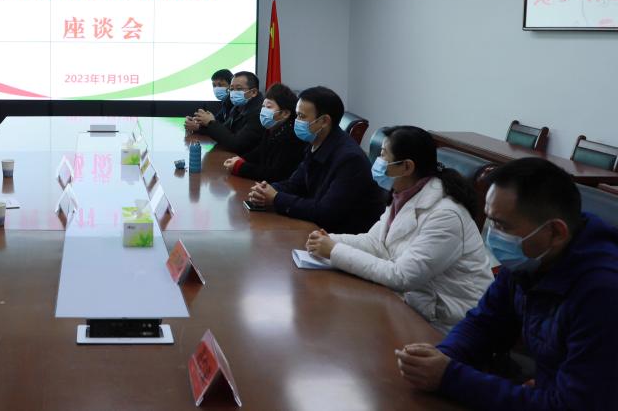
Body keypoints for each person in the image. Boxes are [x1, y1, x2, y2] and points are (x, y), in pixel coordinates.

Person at [396, 157, 618, 410]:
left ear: (556, 232)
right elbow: (484, 323)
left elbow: (573, 406)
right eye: (490, 220)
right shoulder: (531, 259)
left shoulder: (603, 293)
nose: (492, 234)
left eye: (502, 225)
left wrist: (450, 376)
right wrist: (441, 357)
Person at [305, 126, 493, 331]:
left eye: (383, 155)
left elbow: (402, 276)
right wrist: (329, 240)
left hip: (451, 324)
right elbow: (375, 242)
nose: (377, 161)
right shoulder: (404, 193)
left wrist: (334, 250)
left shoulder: (446, 215)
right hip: (415, 303)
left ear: (407, 167)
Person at [247, 86, 383, 233]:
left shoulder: (350, 159)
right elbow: (295, 184)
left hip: (342, 236)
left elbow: (325, 212)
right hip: (318, 230)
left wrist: (276, 198)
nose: (296, 121)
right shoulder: (316, 143)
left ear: (324, 121)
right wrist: (266, 190)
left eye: (301, 116)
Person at [222, 83, 305, 183]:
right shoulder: (272, 128)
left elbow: (275, 174)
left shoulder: (292, 137)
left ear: (285, 113)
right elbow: (260, 151)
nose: (263, 111)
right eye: (263, 106)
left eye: (268, 107)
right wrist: (241, 159)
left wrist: (240, 167)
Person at [192, 70, 265, 155]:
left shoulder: (259, 114)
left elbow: (236, 145)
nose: (233, 93)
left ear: (253, 92)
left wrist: (211, 123)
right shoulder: (237, 108)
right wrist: (201, 125)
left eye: (239, 89)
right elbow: (225, 131)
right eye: (231, 89)